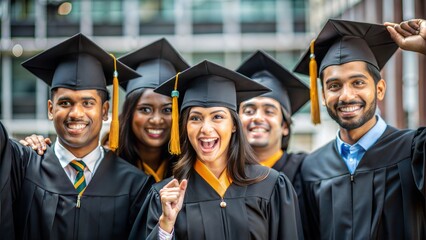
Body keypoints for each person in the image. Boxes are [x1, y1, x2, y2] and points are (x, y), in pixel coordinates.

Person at [0, 33, 153, 239]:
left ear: (105, 110)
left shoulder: (135, 185)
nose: (76, 114)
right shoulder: (22, 165)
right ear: (50, 109)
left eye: (88, 103)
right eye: (65, 103)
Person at [129, 60, 304, 239]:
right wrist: (165, 228)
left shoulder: (271, 186)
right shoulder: (164, 196)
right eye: (195, 118)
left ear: (234, 125)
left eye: (217, 117)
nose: (205, 128)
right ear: (185, 126)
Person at [293, 19, 426, 239]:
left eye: (358, 83)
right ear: (323, 97)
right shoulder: (311, 168)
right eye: (334, 86)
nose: (346, 96)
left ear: (380, 89)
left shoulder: (414, 151)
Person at [117, 38, 189, 182]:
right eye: (145, 109)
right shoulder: (108, 167)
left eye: (167, 110)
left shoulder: (191, 169)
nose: (156, 120)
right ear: (129, 113)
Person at [236, 50, 310, 187]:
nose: (258, 118)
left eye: (269, 111)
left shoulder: (306, 171)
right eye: (249, 111)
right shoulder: (226, 174)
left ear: (285, 127)